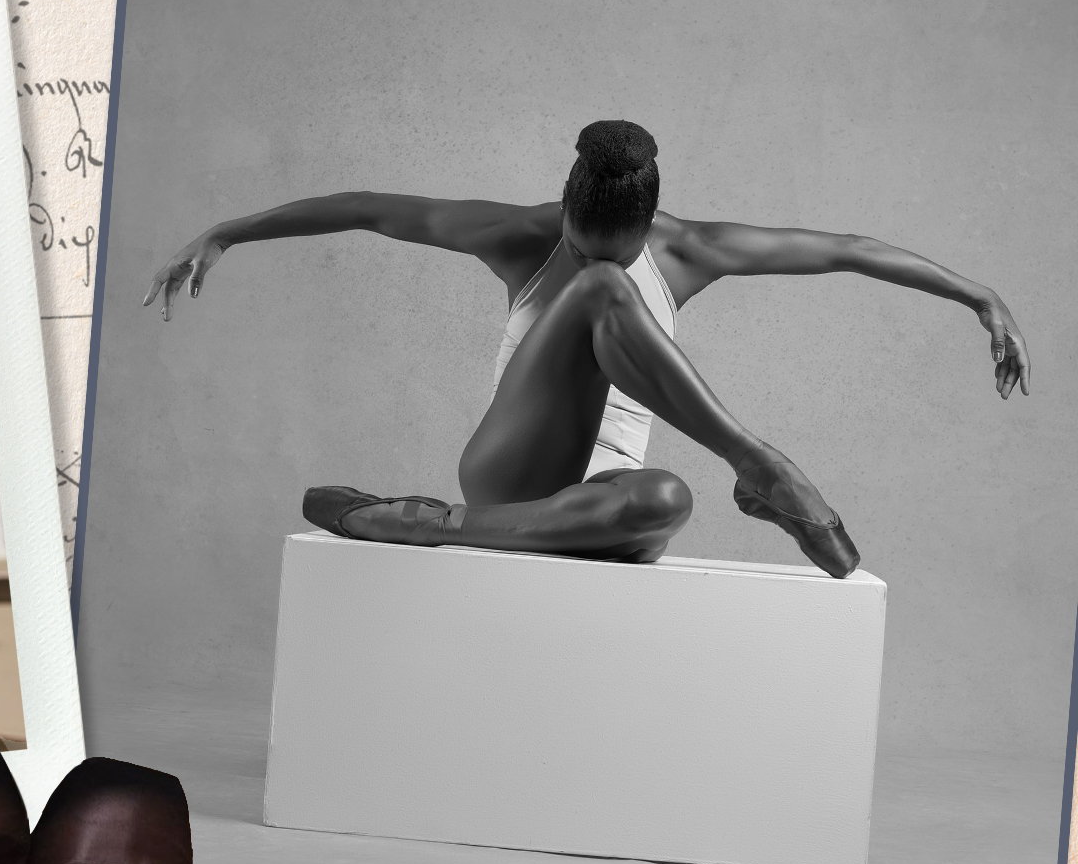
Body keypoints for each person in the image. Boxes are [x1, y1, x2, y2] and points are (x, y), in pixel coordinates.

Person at [144, 118, 1031, 579]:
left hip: (588, 501)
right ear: (565, 207)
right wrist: (228, 231)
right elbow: (367, 207)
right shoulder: (517, 234)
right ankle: (764, 467)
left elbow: (846, 250)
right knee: (599, 295)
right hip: (515, 470)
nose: (597, 259)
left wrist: (977, 293)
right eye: (578, 238)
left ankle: (418, 526)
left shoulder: (691, 249)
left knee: (665, 497)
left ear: (651, 225)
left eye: (622, 247)